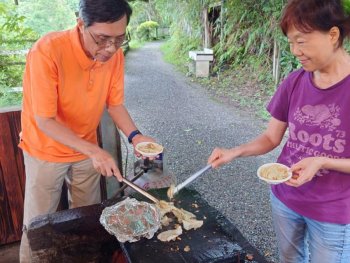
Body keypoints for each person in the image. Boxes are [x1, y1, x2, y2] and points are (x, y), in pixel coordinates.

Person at [208, 0, 350, 262]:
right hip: (286, 199)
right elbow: (271, 137)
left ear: (333, 34)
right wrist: (234, 152)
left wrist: (322, 160)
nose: (295, 51)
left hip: (333, 211)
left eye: (302, 41)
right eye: (290, 43)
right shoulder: (295, 81)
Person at [19, 0, 156, 262]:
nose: (110, 48)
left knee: (85, 219)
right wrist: (95, 151)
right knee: (37, 225)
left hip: (85, 148)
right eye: (102, 39)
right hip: (44, 149)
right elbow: (45, 120)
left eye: (119, 39)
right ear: (80, 24)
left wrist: (136, 137)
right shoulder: (48, 50)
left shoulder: (113, 56)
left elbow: (114, 105)